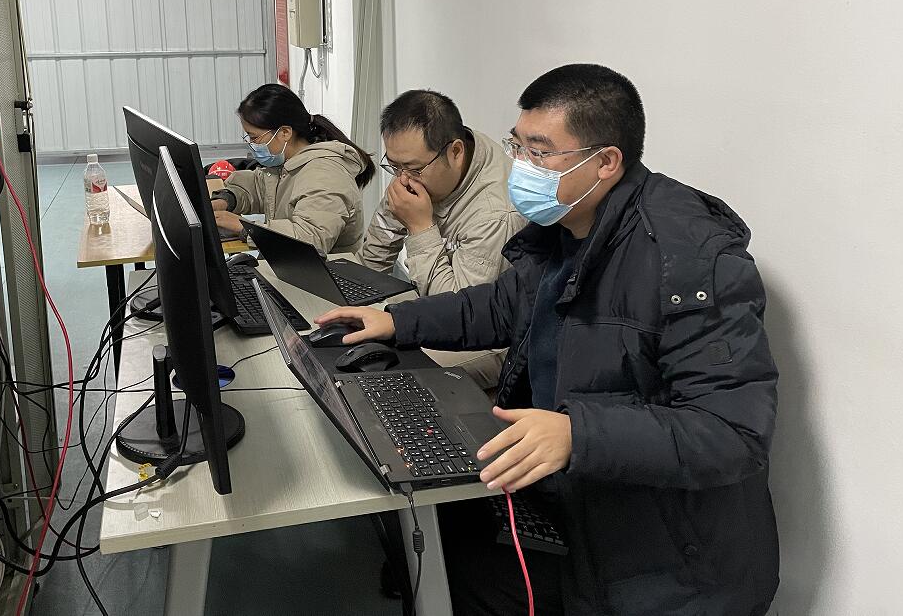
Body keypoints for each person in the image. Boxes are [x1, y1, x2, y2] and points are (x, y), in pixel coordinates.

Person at [318, 65, 779, 615]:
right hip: (576, 493)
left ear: (605, 162)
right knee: (438, 537)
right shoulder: (568, 227)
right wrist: (396, 321)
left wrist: (577, 435)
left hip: (668, 557)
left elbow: (732, 434)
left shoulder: (690, 258)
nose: (520, 167)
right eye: (518, 146)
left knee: (462, 570)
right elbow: (500, 306)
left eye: (539, 153)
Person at [357, 89, 525, 388]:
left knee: (394, 373)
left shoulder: (496, 213)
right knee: (359, 338)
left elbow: (458, 313)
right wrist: (357, 296)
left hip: (491, 336)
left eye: (413, 169)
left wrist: (420, 228)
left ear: (455, 152)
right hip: (435, 300)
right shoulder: (423, 167)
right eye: (394, 166)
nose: (402, 179)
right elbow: (378, 247)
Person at [211, 84, 375, 254]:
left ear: (285, 132)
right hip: (290, 264)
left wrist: (245, 228)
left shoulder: (325, 174)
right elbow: (260, 187)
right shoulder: (288, 163)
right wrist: (227, 199)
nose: (252, 145)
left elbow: (310, 239)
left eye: (254, 137)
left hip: (324, 268)